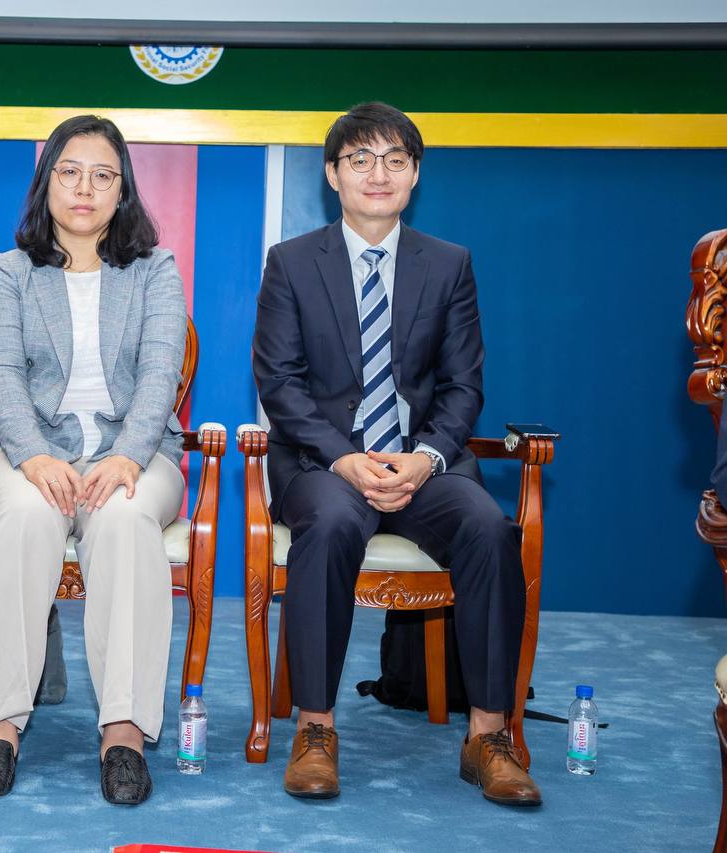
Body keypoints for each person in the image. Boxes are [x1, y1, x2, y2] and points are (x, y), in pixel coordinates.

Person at [252, 102, 540, 807]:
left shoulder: (448, 264)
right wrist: (343, 458)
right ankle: (315, 729)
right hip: (324, 464)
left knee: (489, 528)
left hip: (422, 465)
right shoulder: (292, 263)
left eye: (395, 160)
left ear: (414, 175)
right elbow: (279, 383)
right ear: (333, 174)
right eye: (360, 159)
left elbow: (463, 385)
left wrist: (428, 457)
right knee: (330, 524)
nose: (377, 174)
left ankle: (489, 736)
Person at [0, 114, 187, 805]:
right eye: (69, 172)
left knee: (123, 519)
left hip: (136, 453)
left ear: (123, 191)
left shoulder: (154, 271)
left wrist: (128, 456)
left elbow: (160, 375)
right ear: (46, 183)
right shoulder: (8, 271)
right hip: (23, 450)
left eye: (102, 175)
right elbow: (0, 375)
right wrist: (33, 456)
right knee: (25, 517)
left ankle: (123, 732)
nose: (85, 188)